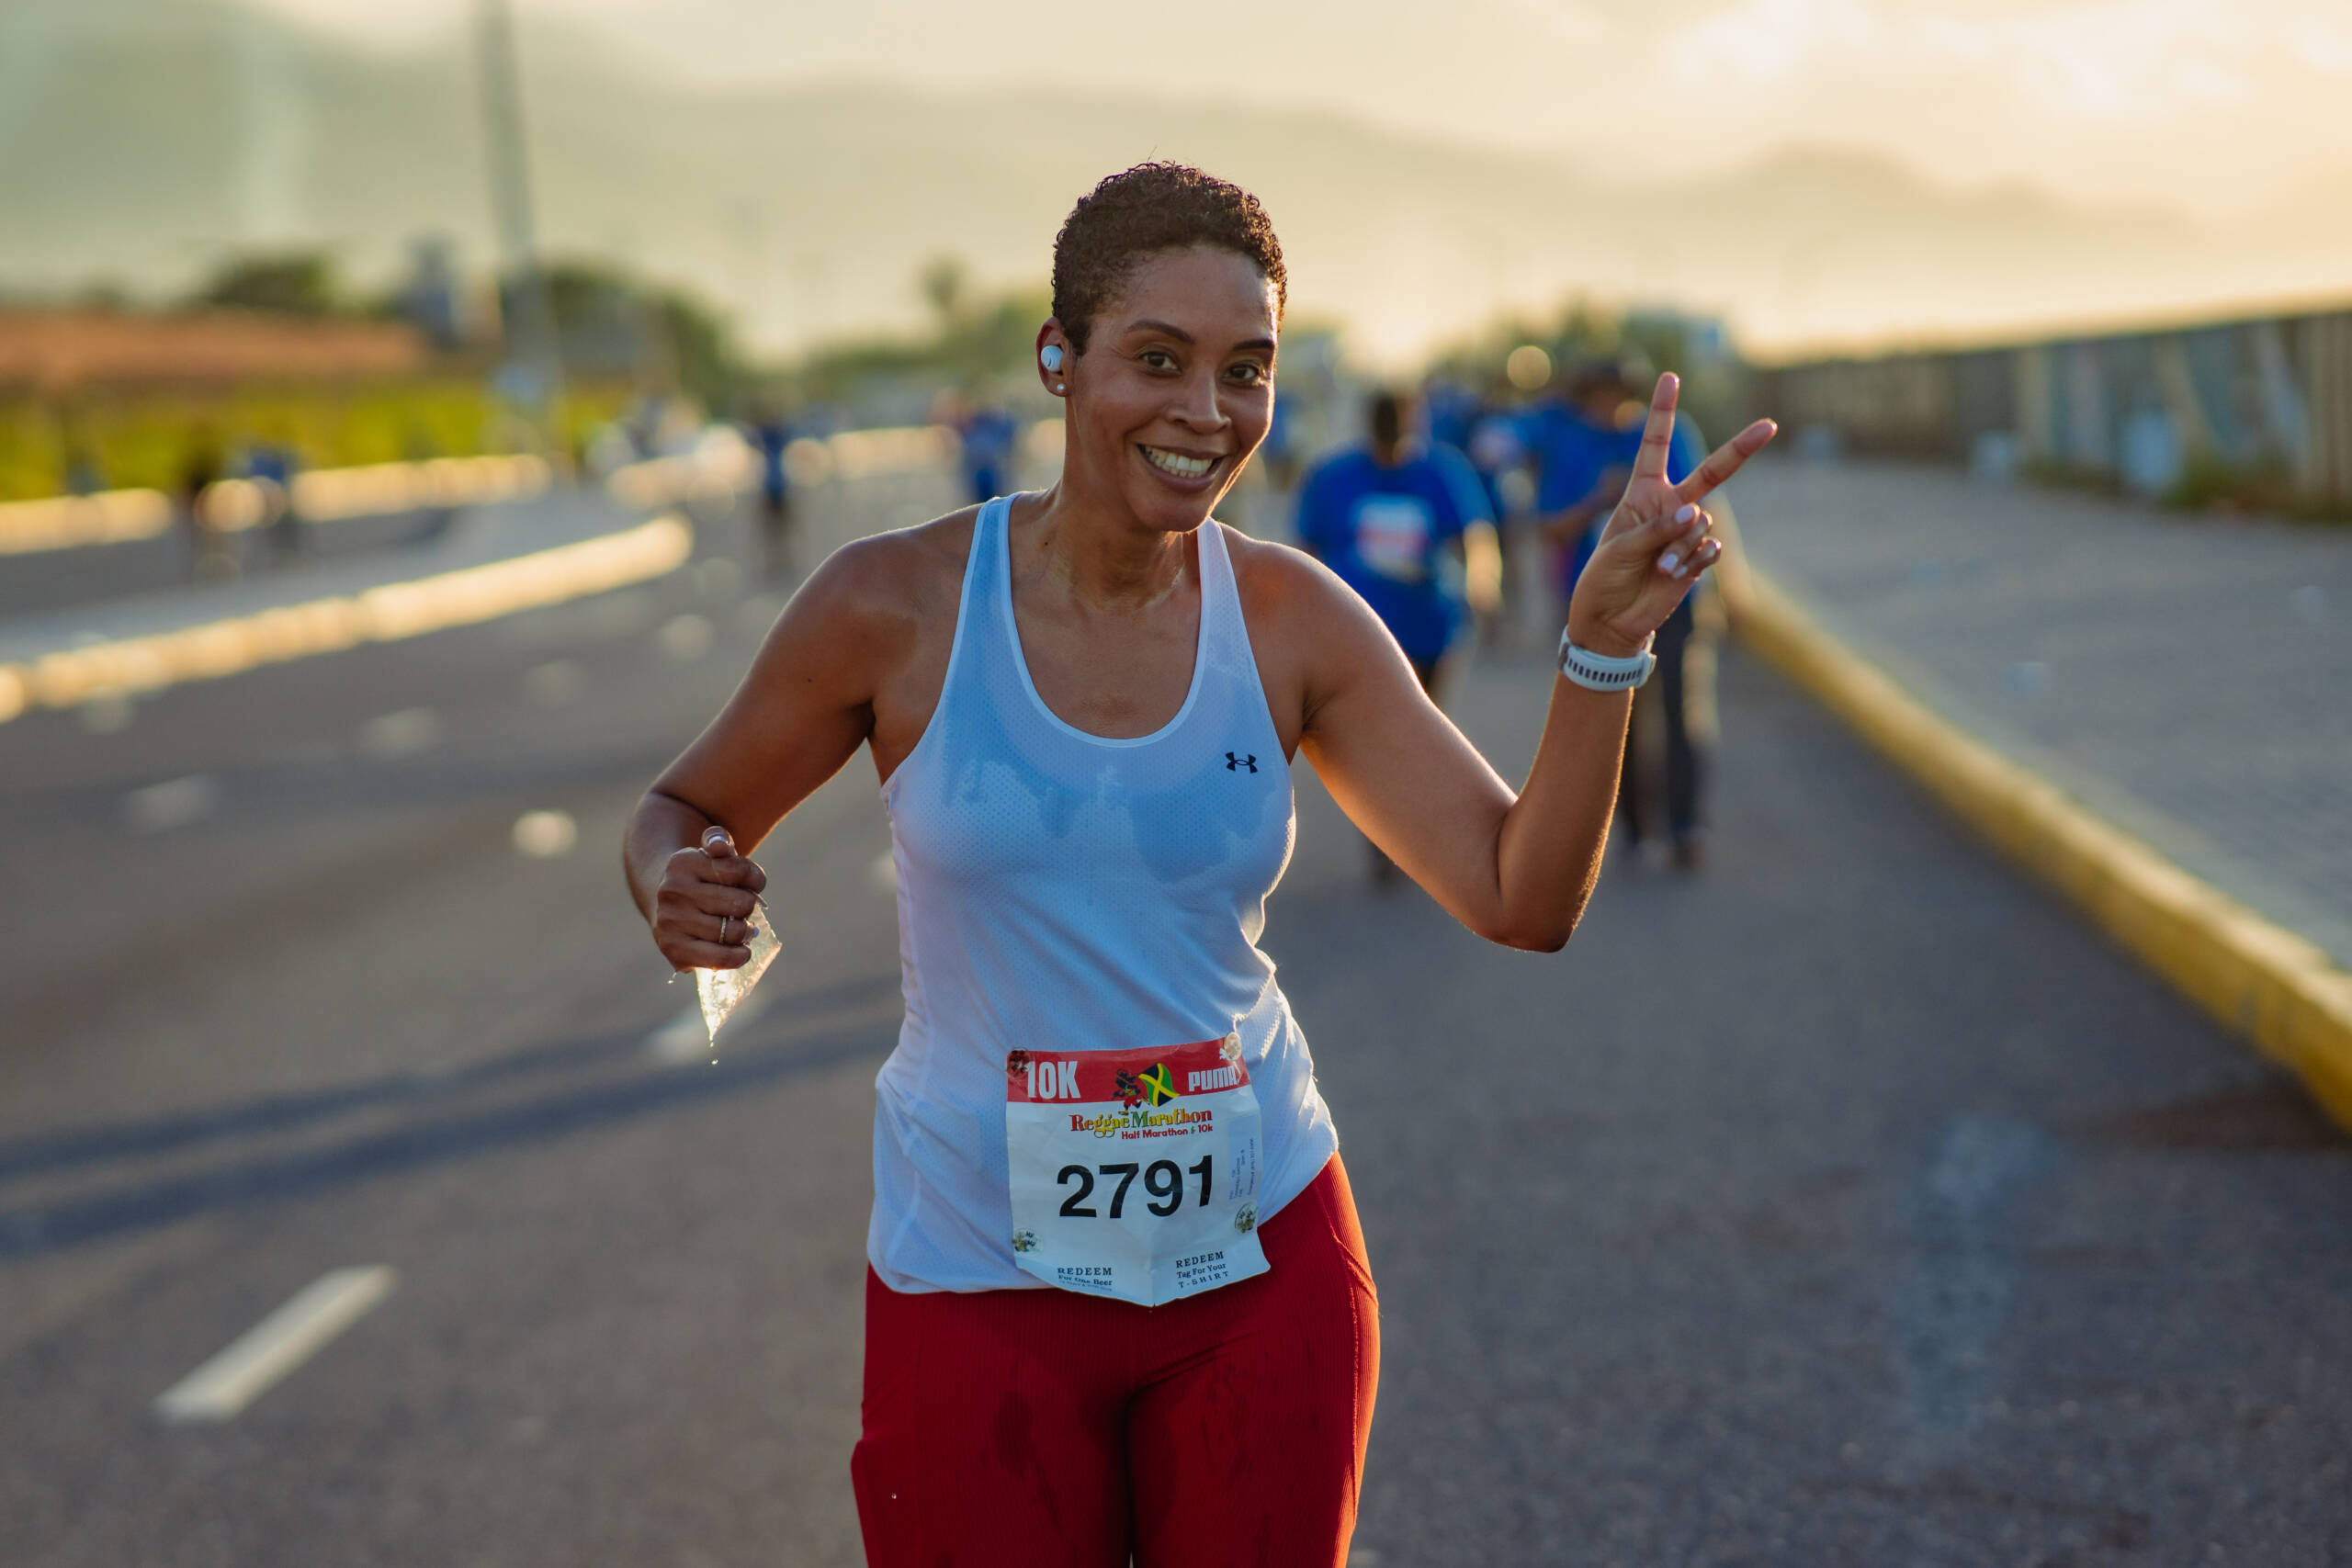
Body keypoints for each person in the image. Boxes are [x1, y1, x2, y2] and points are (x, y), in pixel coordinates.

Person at [623, 162, 1772, 1567]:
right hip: (974, 1272)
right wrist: (674, 878)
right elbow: (683, 807)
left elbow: (1518, 894)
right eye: (1157, 359)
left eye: (1247, 369)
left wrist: (1605, 646)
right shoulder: (893, 603)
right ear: (1059, 357)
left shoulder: (1293, 619)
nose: (1207, 411)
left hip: (1259, 1265)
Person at [1294, 386, 1502, 882]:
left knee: (1422, 734)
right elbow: (1307, 548)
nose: (1395, 444)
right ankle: (1386, 838)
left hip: (1429, 626)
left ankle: (1413, 830)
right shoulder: (1334, 476)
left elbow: (1474, 537)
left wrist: (1483, 592)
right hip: (1360, 632)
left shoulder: (1441, 471)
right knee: (1376, 738)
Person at [744, 403, 797, 580]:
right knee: (773, 528)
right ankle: (777, 561)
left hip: (776, 487)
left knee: (779, 527)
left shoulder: (771, 436)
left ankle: (782, 560)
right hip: (772, 487)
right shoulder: (769, 437)